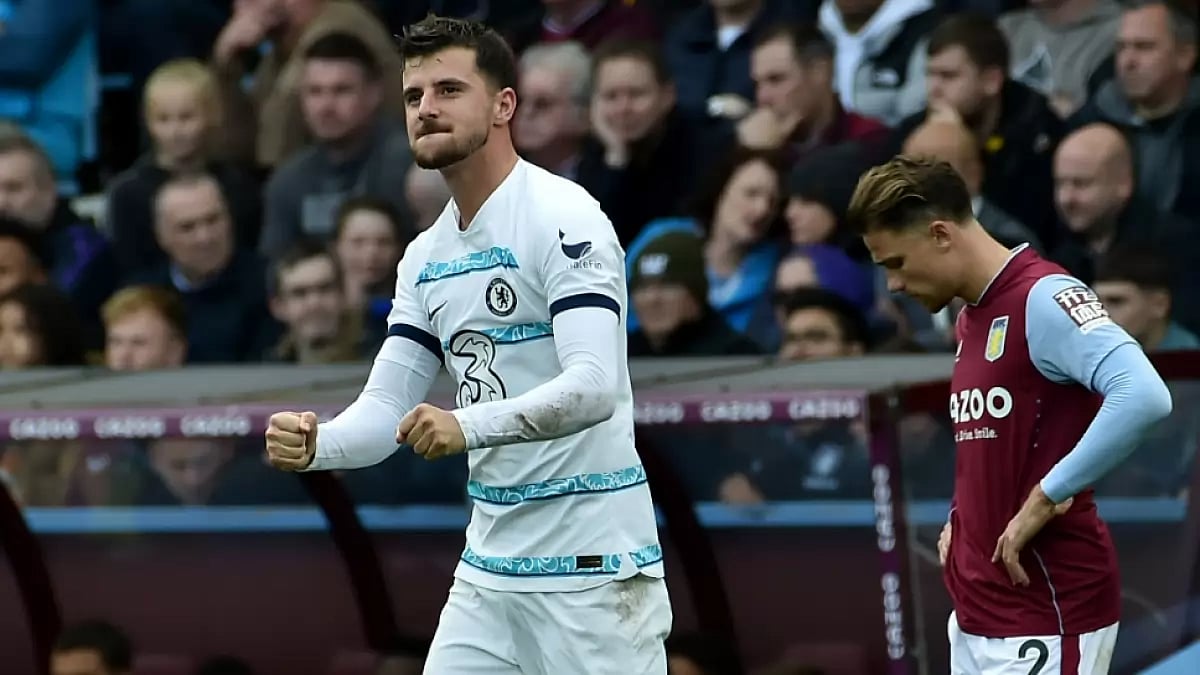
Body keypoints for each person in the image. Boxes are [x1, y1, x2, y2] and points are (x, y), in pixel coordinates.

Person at [263, 14, 670, 675]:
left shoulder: (565, 216)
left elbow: (594, 386)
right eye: (414, 96)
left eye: (449, 90)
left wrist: (464, 424)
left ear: (504, 104)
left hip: (592, 573)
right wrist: (319, 444)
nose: (426, 108)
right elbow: (384, 409)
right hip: (487, 575)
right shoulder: (426, 256)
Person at [846, 155, 1173, 674]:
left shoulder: (1044, 296)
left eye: (896, 263)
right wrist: (964, 515)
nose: (893, 286)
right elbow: (1000, 440)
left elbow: (1144, 394)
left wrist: (1049, 494)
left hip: (1047, 607)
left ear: (939, 234)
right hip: (979, 613)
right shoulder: (972, 317)